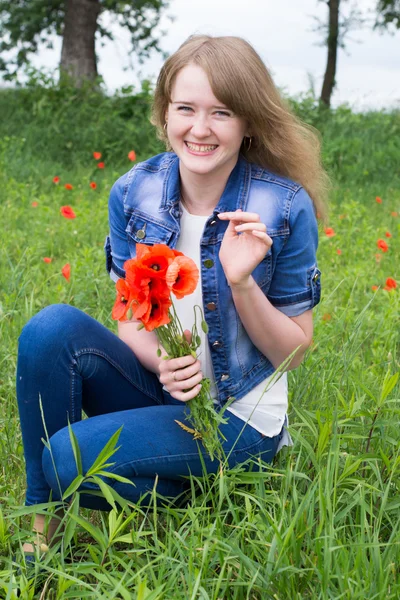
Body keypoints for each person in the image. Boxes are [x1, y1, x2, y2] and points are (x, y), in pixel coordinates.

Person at [16, 34, 328, 556]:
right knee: (49, 329)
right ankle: (40, 531)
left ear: (248, 122)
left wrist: (242, 281)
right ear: (164, 113)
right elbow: (132, 315)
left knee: (67, 458)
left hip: (238, 417)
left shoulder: (283, 207)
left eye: (222, 113)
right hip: (165, 394)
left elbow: (294, 353)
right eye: (185, 108)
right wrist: (161, 362)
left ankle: (206, 496)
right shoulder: (133, 192)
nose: (200, 130)